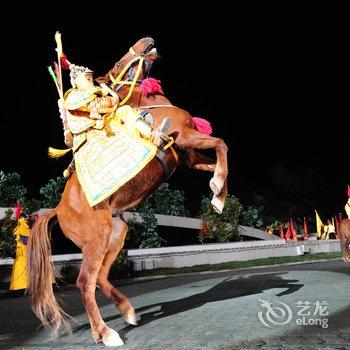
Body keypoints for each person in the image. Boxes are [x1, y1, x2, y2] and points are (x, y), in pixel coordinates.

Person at [60, 64, 171, 153]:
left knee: (133, 110)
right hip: (94, 128)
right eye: (88, 79)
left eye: (91, 78)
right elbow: (101, 105)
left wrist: (106, 93)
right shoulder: (74, 96)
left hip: (105, 119)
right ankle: (153, 136)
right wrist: (109, 92)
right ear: (80, 80)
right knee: (125, 110)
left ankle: (148, 131)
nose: (91, 81)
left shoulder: (92, 91)